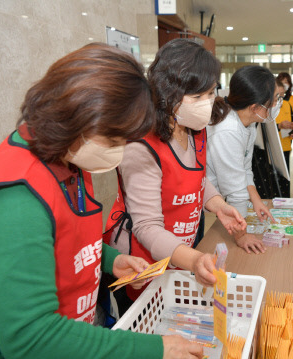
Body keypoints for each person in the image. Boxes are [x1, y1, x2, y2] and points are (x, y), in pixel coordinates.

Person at [0, 43, 203, 359]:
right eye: (113, 141)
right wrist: (154, 349)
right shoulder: (16, 198)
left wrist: (110, 259)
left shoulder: (68, 152)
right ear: (79, 119)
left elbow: (66, 239)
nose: (119, 154)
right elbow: (30, 337)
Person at [105, 39, 246, 303]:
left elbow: (195, 179)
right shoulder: (141, 146)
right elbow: (146, 227)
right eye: (197, 97)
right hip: (144, 261)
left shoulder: (195, 129)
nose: (207, 103)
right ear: (167, 93)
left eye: (211, 93)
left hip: (180, 253)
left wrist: (218, 205)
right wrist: (194, 260)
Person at [207, 65, 283, 254]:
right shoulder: (229, 130)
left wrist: (256, 200)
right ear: (255, 107)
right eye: (272, 101)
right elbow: (236, 190)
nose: (275, 105)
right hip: (204, 203)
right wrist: (242, 236)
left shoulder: (247, 123)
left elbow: (245, 168)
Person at [275, 74, 293, 197]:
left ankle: (285, 198)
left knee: (285, 174)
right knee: (274, 177)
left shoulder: (288, 103)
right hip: (273, 144)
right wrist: (279, 125)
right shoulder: (271, 105)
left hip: (285, 142)